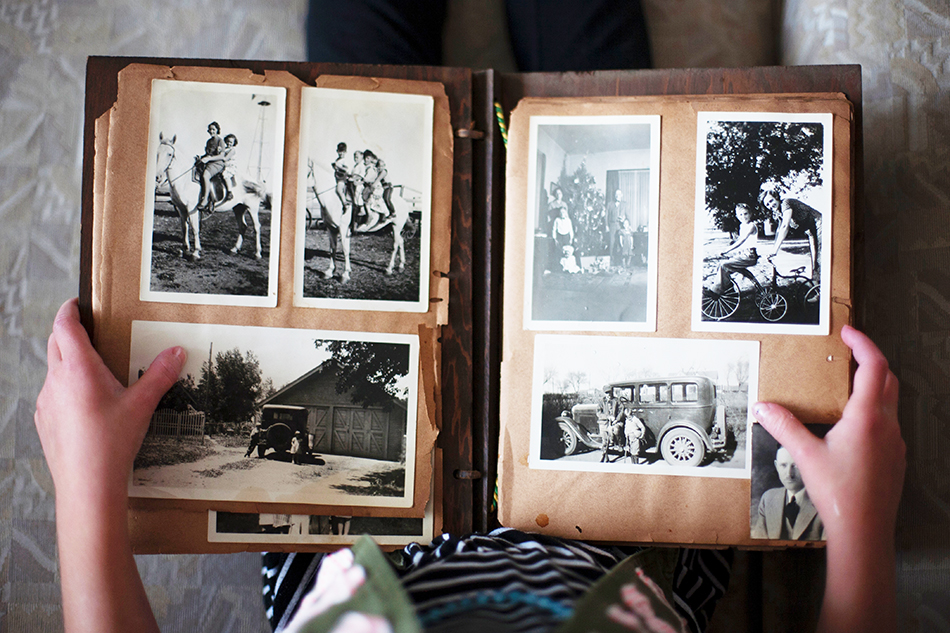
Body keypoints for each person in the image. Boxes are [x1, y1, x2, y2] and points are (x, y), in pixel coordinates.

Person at [34, 298, 904, 632]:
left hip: (349, 546)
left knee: (363, 41)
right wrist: (860, 529)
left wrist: (85, 489)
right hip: (617, 535)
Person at [752, 445, 825, 541]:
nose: (789, 474)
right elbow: (759, 544)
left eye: (796, 466)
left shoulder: (824, 504)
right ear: (776, 466)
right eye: (783, 465)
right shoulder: (768, 499)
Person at [760, 187, 822, 280]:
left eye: (771, 201)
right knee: (814, 259)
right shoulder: (779, 213)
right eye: (767, 204)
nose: (770, 205)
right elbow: (779, 231)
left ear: (776, 197)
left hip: (820, 224)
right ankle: (817, 287)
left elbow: (785, 226)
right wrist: (773, 250)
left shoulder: (786, 203)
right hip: (810, 231)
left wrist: (775, 250)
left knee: (821, 255)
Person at [714, 203, 759, 293]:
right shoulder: (742, 226)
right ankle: (729, 289)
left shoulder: (751, 225)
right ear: (737, 216)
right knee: (721, 266)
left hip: (749, 255)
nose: (743, 217)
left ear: (750, 214)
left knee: (724, 265)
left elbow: (742, 240)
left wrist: (726, 250)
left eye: (745, 214)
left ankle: (718, 290)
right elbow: (739, 241)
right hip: (743, 254)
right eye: (740, 215)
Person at [196, 121, 226, 209]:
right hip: (210, 162)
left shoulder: (220, 141)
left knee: (205, 175)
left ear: (217, 130)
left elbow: (221, 156)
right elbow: (208, 154)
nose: (211, 131)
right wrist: (201, 157)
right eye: (210, 129)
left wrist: (208, 158)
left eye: (213, 129)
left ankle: (205, 199)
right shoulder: (209, 141)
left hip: (218, 163)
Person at [331, 141, 352, 210]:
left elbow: (346, 169)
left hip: (342, 178)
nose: (341, 153)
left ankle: (345, 203)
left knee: (339, 190)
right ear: (337, 151)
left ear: (345, 152)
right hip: (337, 177)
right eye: (340, 151)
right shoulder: (338, 160)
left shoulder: (344, 160)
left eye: (343, 151)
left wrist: (339, 166)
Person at [607, 188, 625, 266]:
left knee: (620, 243)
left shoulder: (624, 204)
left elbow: (627, 215)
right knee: (612, 243)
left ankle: (620, 261)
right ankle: (611, 260)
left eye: (619, 194)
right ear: (614, 196)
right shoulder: (610, 204)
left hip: (620, 226)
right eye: (616, 194)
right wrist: (606, 225)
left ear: (622, 195)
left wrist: (624, 220)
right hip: (612, 225)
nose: (618, 196)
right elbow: (606, 216)